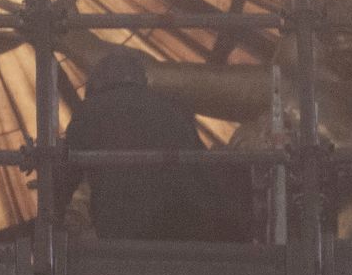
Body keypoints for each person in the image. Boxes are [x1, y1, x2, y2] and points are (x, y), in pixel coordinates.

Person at [57, 44, 234, 242]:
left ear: (96, 83)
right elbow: (202, 168)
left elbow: (65, 177)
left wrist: (50, 223)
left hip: (126, 232)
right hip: (189, 228)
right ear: (142, 80)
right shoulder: (173, 107)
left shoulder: (89, 112)